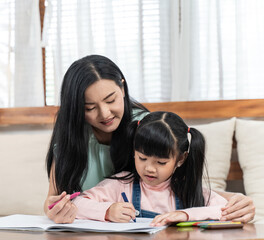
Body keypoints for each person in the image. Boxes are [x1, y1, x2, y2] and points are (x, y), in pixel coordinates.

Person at [44, 55, 255, 224]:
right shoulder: (70, 137)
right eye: (90, 108)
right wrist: (57, 211)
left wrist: (233, 201)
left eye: (111, 100)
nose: (105, 113)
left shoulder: (144, 128)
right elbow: (53, 201)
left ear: (123, 88)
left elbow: (175, 186)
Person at [73, 111, 228, 226]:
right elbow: (76, 204)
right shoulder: (121, 185)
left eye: (160, 162)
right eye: (142, 158)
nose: (149, 169)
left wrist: (185, 215)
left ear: (181, 159)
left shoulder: (188, 189)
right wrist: (107, 211)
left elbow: (226, 210)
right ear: (134, 151)